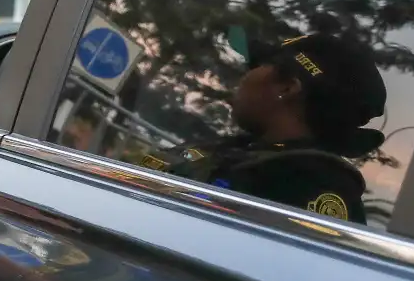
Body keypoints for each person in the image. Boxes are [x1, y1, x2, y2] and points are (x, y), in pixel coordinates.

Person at [136, 31, 386, 223]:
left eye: (259, 65)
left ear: (286, 88)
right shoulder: (244, 154)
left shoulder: (302, 190)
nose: (245, 76)